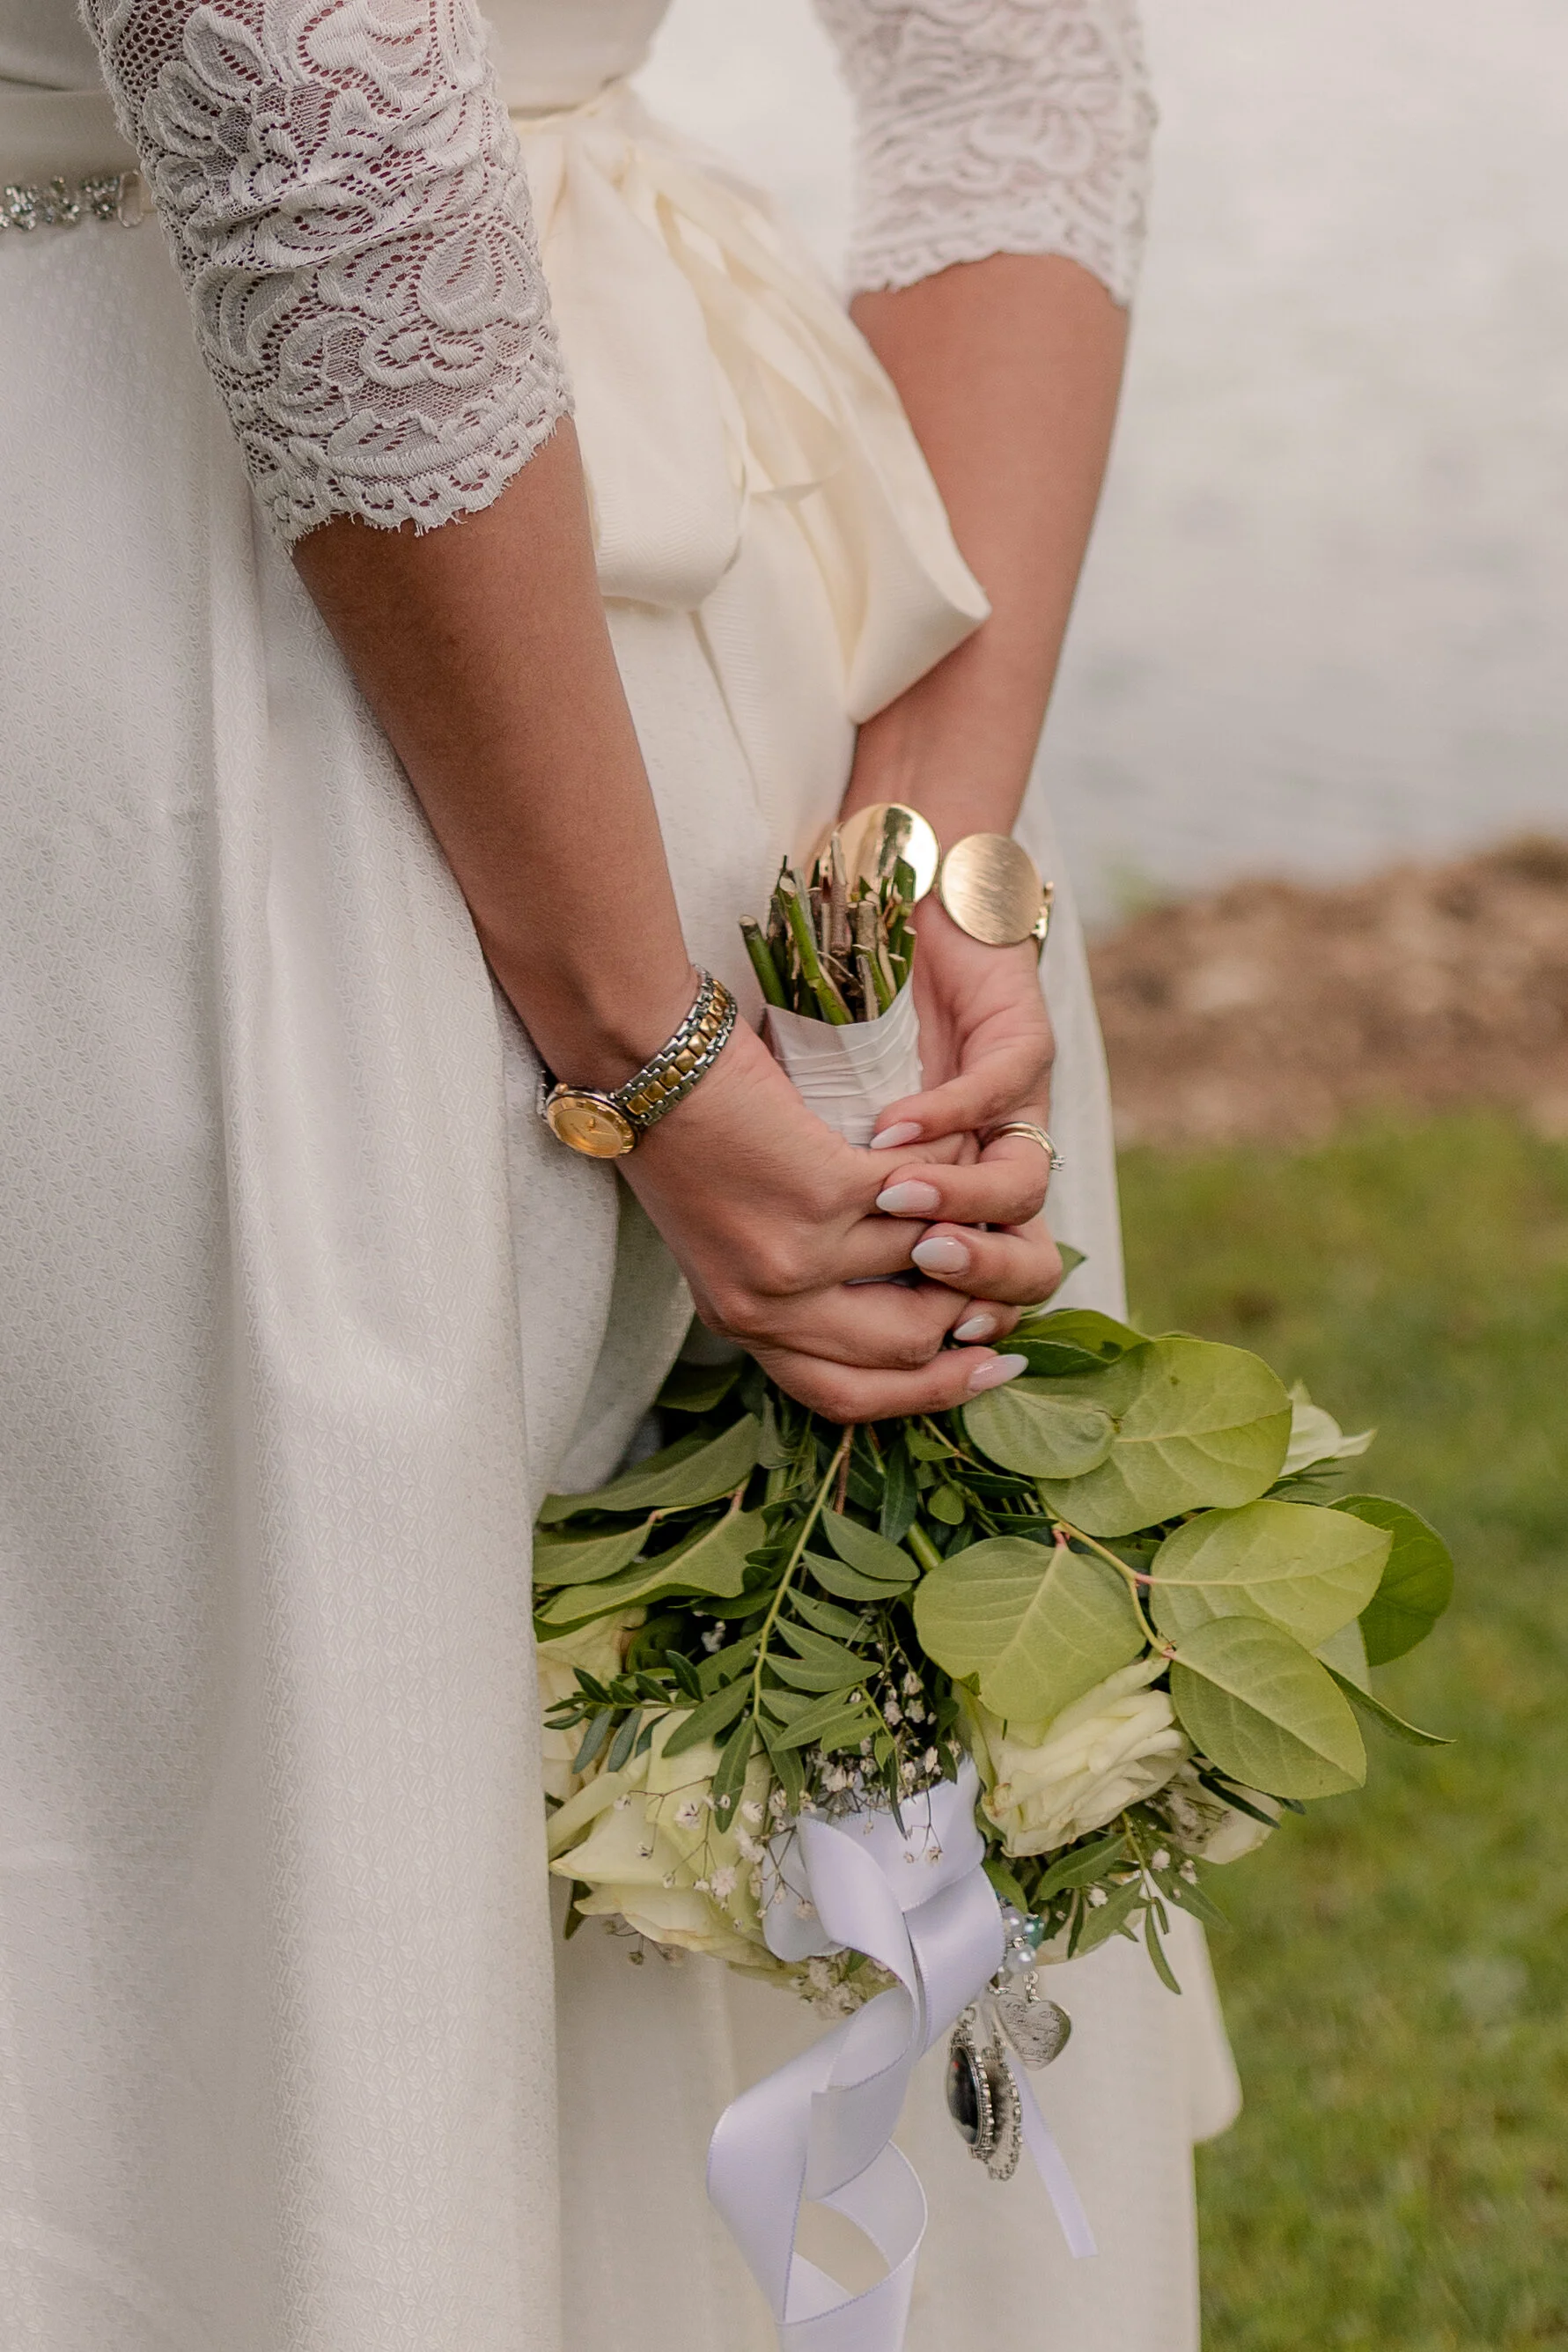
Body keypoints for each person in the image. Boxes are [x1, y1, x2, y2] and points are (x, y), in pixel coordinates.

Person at [0, 2, 1236, 2347]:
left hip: (344, 655)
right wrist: (879, 864)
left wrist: (860, 906)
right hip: (514, 664)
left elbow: (335, 106)